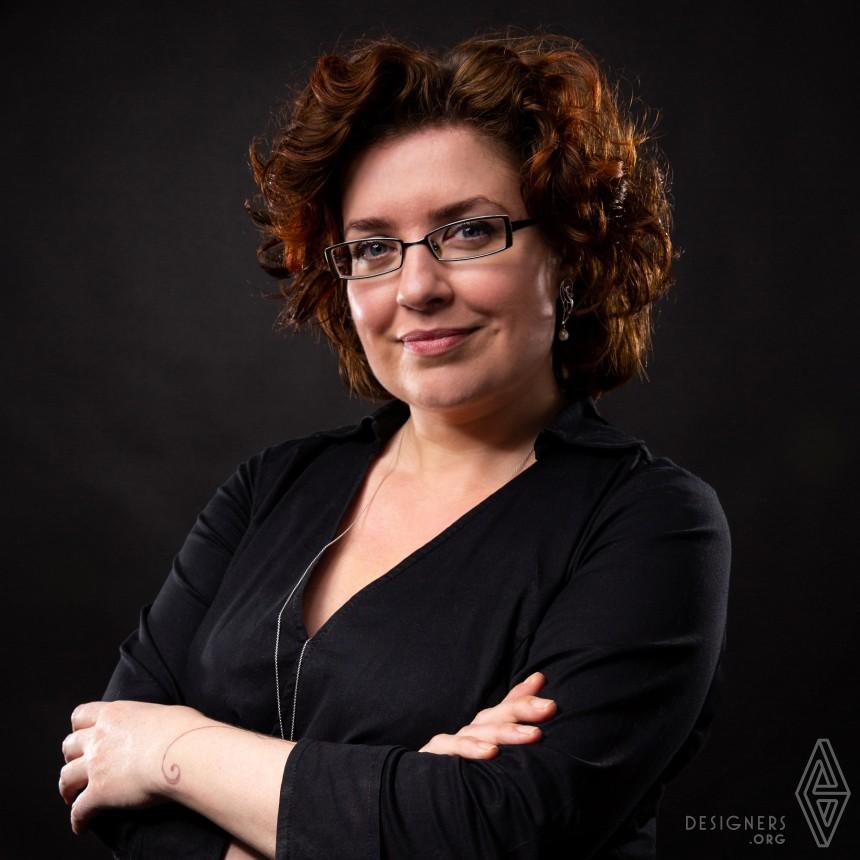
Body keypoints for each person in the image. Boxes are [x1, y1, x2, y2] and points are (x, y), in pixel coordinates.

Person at [58, 28, 731, 860]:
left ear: (568, 251)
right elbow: (101, 768)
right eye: (374, 247)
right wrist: (400, 796)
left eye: (470, 232)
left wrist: (174, 754)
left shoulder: (652, 522)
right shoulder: (269, 487)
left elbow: (500, 827)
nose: (416, 287)